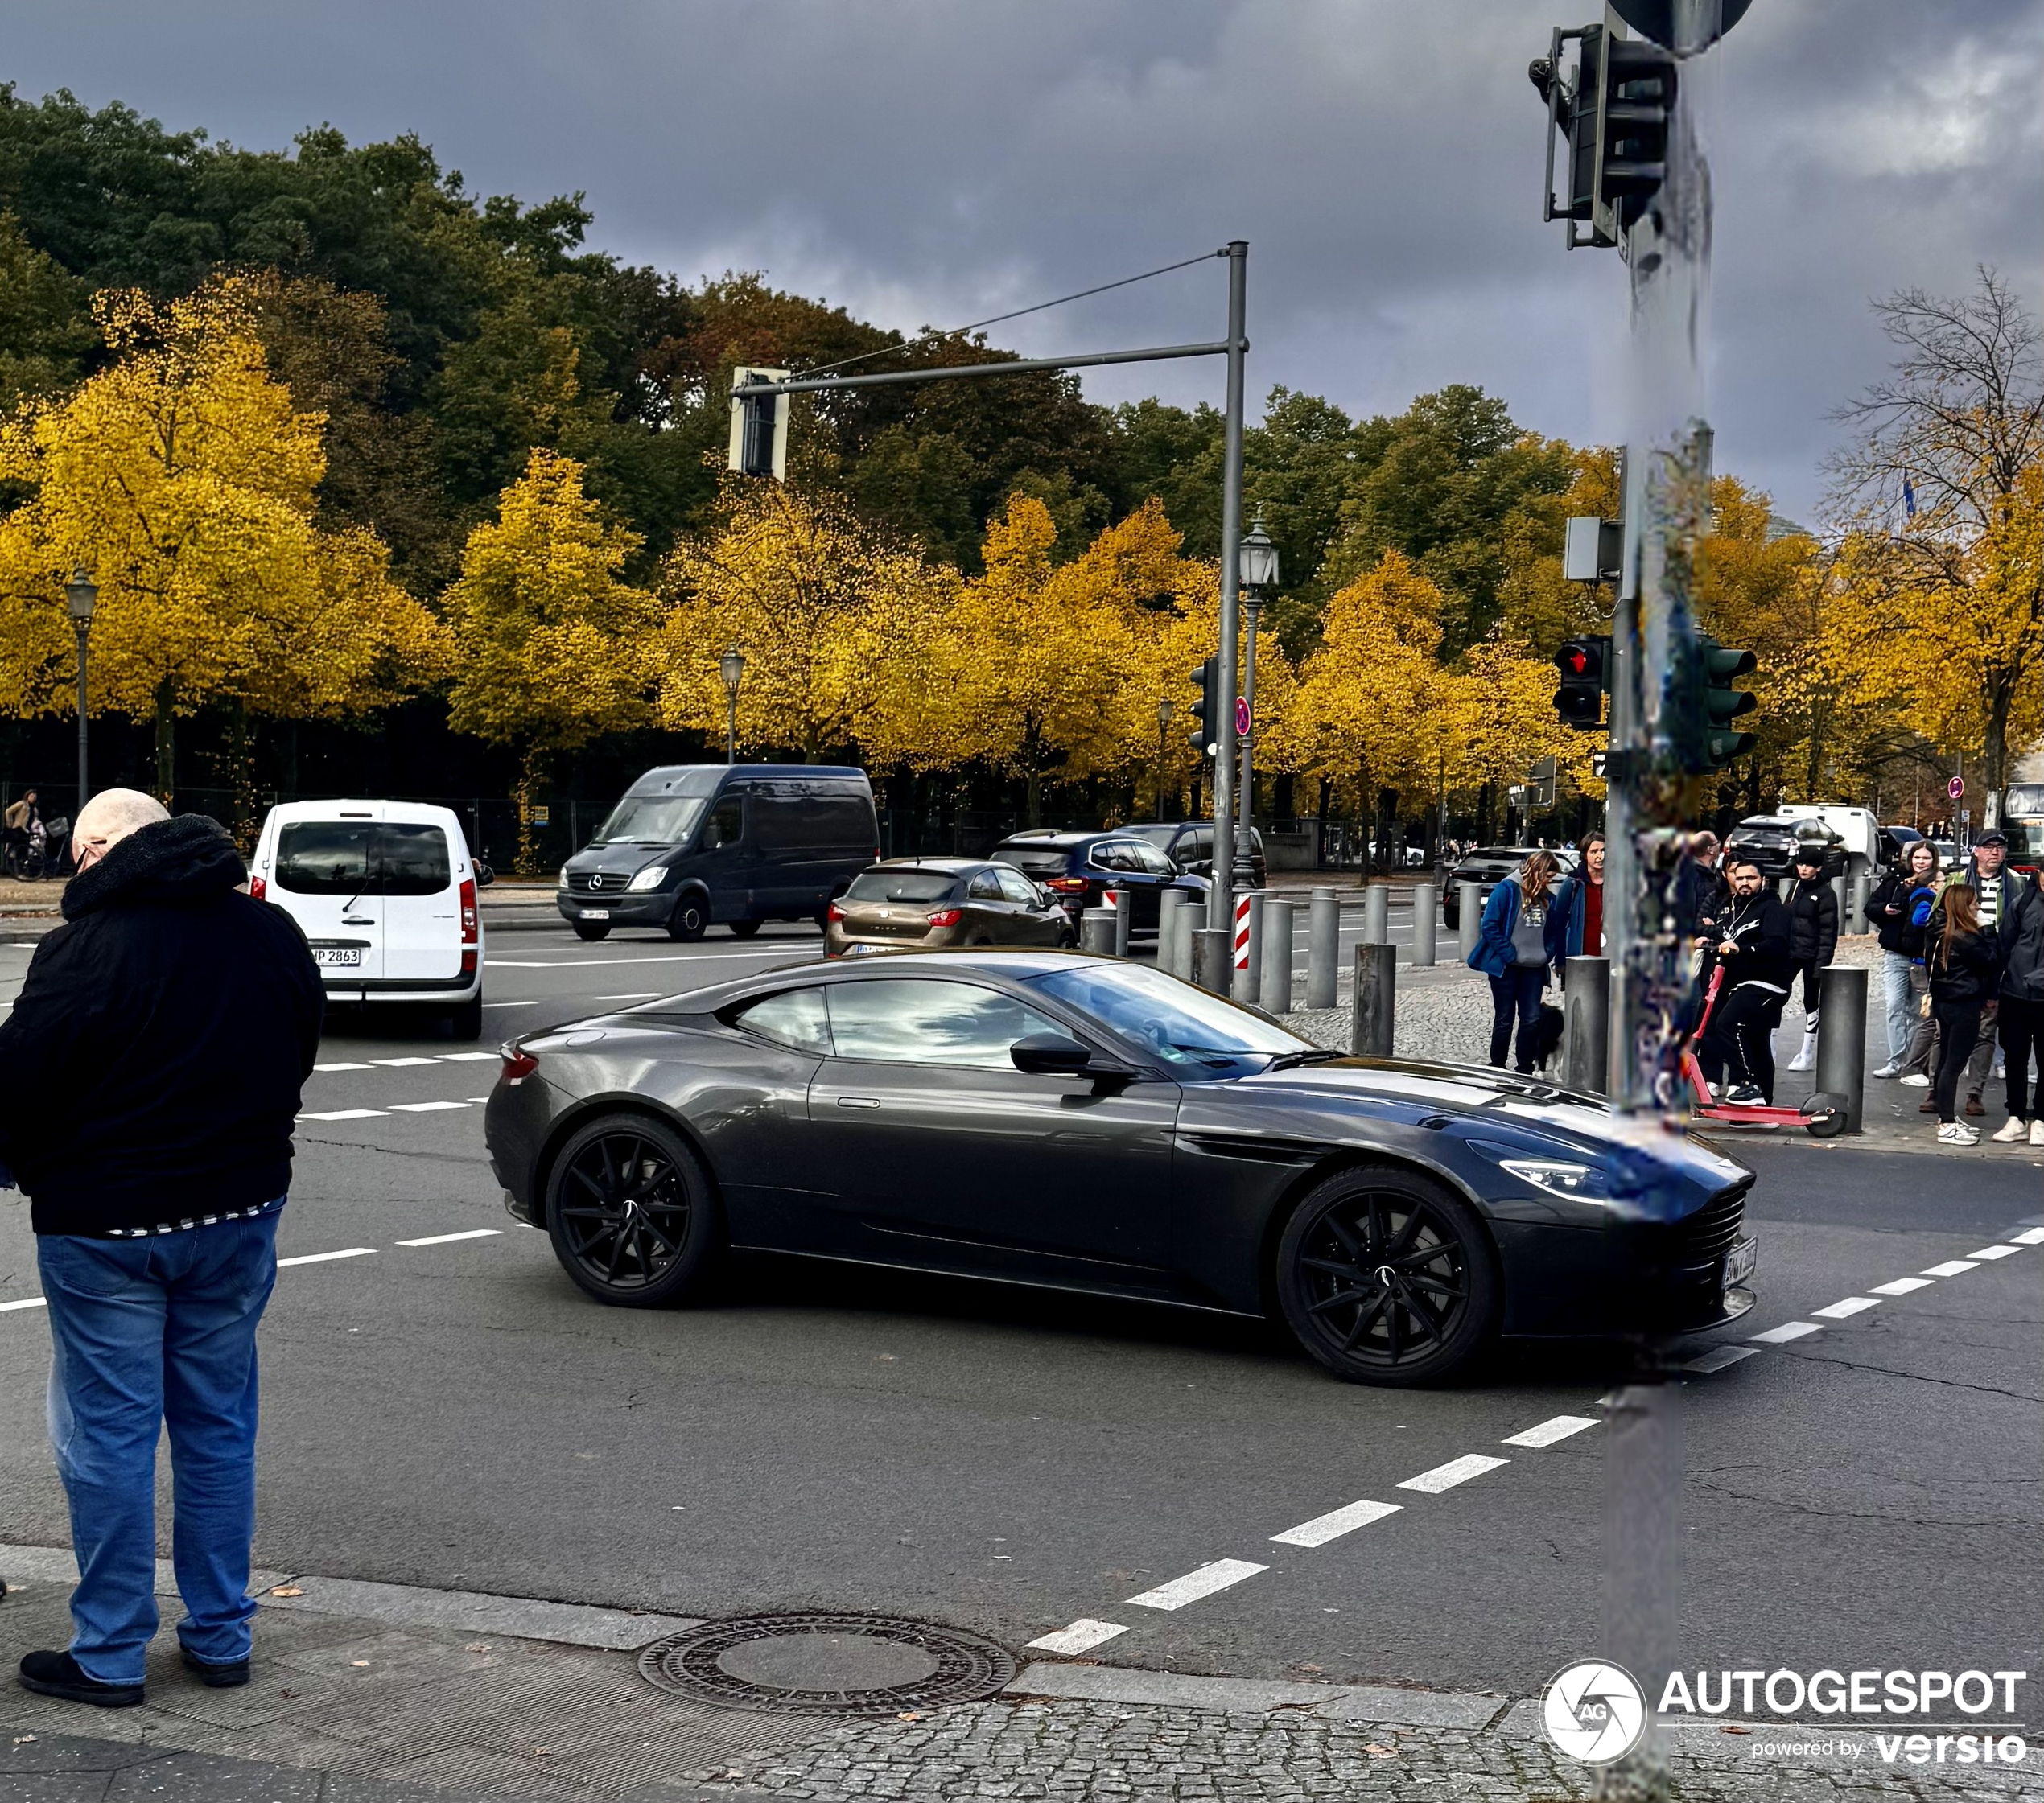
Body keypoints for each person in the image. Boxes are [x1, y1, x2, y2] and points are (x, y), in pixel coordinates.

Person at [0, 791, 323, 1707]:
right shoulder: (268, 932)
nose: (77, 860)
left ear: (117, 849)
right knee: (218, 1426)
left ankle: (108, 1652)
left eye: (89, 845)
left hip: (106, 1225)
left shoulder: (84, 950)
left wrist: (35, 1165)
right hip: (239, 1208)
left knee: (107, 1435)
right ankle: (220, 1633)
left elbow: (20, 1080)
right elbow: (298, 1044)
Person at [1696, 858, 1792, 1104]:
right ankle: (1762, 1103)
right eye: (1740, 878)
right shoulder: (1730, 908)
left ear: (1762, 880)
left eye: (1751, 878)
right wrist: (1711, 942)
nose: (1745, 883)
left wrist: (1743, 950)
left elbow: (1777, 945)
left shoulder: (1773, 908)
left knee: (1729, 1024)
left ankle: (1747, 1083)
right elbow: (1723, 939)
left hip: (1768, 981)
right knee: (1755, 1040)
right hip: (1739, 982)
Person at [1467, 849, 1560, 1074]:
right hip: (1506, 968)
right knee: (1504, 1018)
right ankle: (1498, 1065)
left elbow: (1554, 931)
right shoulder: (1507, 889)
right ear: (1537, 870)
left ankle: (1525, 1068)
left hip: (1534, 969)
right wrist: (1508, 953)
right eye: (1548, 875)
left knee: (1532, 1019)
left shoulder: (1549, 899)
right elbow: (1489, 925)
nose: (1550, 880)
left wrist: (1546, 954)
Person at [1956, 830, 2025, 1119]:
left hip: (1996, 961)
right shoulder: (1958, 881)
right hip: (1961, 962)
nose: (1994, 852)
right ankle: (1937, 1088)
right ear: (1977, 852)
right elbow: (1939, 919)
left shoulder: (2016, 883)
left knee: (1986, 1031)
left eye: (1999, 847)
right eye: (1988, 847)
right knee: (1945, 1032)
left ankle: (1975, 1092)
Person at [1925, 883, 1997, 1146]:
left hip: (1944, 1002)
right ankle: (1946, 1124)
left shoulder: (1937, 931)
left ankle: (1947, 1118)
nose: (1977, 906)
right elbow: (1991, 959)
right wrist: (1987, 928)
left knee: (1945, 1060)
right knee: (1954, 1065)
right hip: (1964, 1003)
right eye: (1973, 902)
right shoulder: (1966, 936)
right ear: (1963, 906)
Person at [1871, 840, 1942, 1077]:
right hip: (1896, 954)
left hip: (1923, 958)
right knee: (1894, 1006)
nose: (1921, 862)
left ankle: (1912, 1062)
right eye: (1917, 857)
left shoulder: (1939, 884)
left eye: (1926, 858)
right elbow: (1870, 907)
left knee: (1916, 1012)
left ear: (1934, 860)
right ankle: (1896, 1060)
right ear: (1910, 859)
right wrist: (1885, 910)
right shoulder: (1896, 882)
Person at [1988, 849, 2044, 1146]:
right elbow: (2004, 946)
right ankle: (2016, 1117)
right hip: (2016, 993)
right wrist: (1994, 988)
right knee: (2015, 1058)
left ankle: (2041, 1119)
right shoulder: (2022, 903)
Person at [1782, 853, 1840, 1072]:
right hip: (1791, 952)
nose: (1803, 868)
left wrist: (1821, 964)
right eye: (1801, 863)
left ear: (1818, 867)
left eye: (1809, 865)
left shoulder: (1826, 893)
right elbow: (1786, 917)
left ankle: (1807, 1052)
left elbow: (1828, 933)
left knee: (1811, 1002)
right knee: (1777, 994)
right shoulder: (1796, 887)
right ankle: (1771, 1045)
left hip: (1813, 954)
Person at [1550, 833, 1606, 971]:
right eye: (1594, 852)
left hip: (1610, 957)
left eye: (1603, 851)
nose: (1600, 856)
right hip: (1581, 956)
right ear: (1585, 855)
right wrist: (1560, 960)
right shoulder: (1573, 883)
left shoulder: (1616, 882)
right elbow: (1559, 923)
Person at [2, 788, 38, 870]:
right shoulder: (22, 804)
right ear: (27, 796)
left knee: (23, 850)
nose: (33, 799)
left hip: (27, 831)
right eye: (32, 796)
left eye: (35, 797)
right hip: (18, 829)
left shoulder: (34, 809)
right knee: (14, 849)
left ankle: (20, 870)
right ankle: (12, 869)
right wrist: (9, 824)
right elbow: (8, 811)